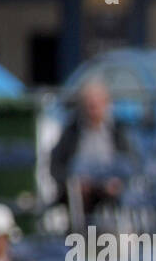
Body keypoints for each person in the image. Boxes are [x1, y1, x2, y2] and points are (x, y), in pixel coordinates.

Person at [49, 78, 137, 215]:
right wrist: (73, 181)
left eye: (96, 105)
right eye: (88, 105)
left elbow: (132, 161)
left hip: (111, 183)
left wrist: (119, 181)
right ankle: (81, 234)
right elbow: (56, 164)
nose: (92, 110)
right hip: (82, 188)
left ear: (106, 104)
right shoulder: (72, 131)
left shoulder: (118, 130)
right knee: (78, 193)